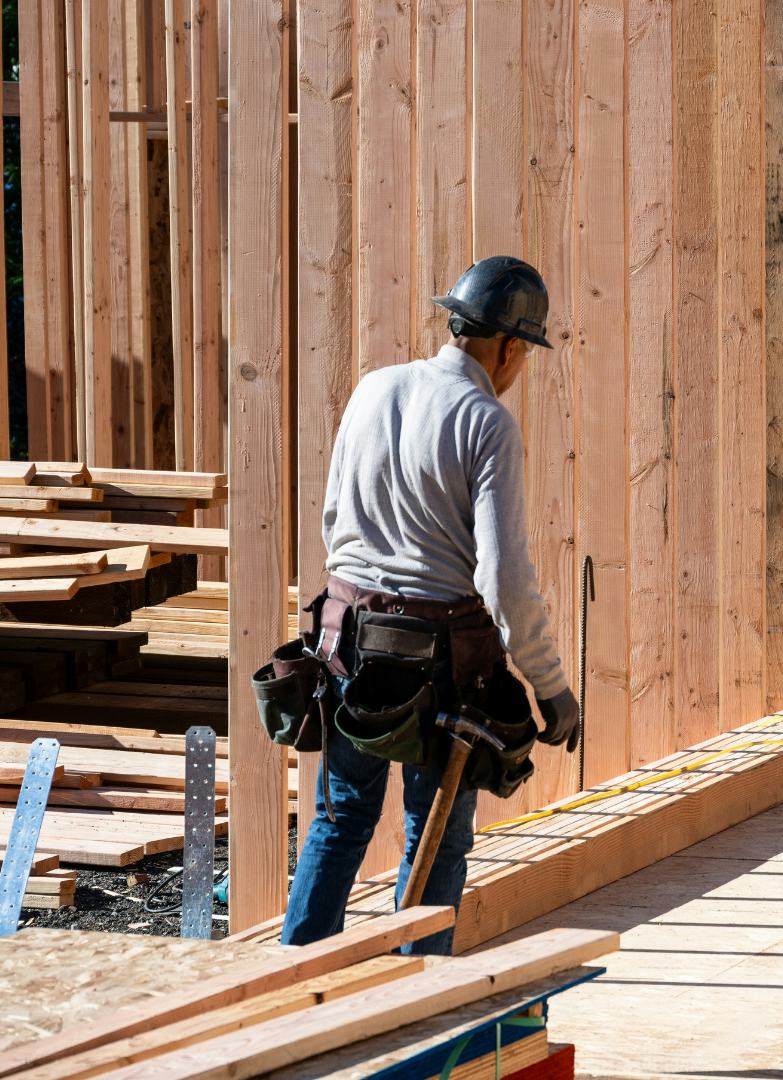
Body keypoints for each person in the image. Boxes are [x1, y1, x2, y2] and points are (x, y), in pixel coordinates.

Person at [280, 256, 581, 954]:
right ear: (509, 347)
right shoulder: (486, 421)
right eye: (523, 355)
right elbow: (502, 576)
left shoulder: (372, 389)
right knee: (437, 836)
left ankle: (292, 991)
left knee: (339, 820)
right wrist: (551, 686)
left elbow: (334, 520)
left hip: (349, 640)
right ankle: (418, 997)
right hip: (440, 661)